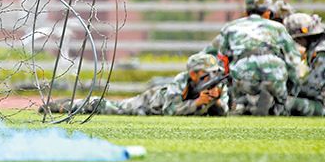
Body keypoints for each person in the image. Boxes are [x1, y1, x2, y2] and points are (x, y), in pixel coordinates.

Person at [41, 53, 229, 116]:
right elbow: (170, 111)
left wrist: (216, 102)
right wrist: (196, 103)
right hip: (150, 103)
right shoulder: (181, 81)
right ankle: (66, 105)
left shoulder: (215, 85)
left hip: (163, 106)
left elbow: (224, 112)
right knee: (110, 107)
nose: (210, 77)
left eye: (212, 74)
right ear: (192, 74)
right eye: (205, 74)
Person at [215, 0, 302, 116]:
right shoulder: (278, 28)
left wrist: (227, 89)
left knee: (239, 84)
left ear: (245, 13)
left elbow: (222, 61)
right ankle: (275, 108)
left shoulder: (230, 27)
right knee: (280, 106)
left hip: (243, 78)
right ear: (267, 13)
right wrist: (292, 89)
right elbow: (294, 61)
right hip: (274, 77)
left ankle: (241, 104)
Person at [284, 13, 325, 117]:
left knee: (282, 103)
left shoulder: (323, 53)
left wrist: (287, 89)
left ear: (302, 37)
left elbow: (312, 88)